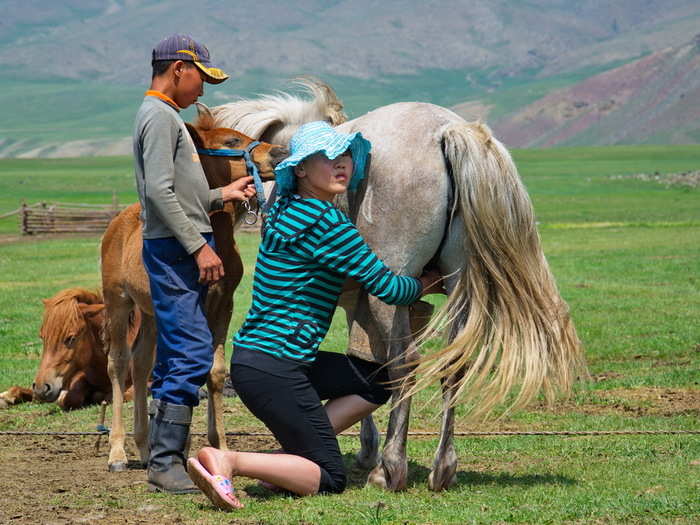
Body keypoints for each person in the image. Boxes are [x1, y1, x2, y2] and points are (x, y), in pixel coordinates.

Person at [187, 121, 443, 510]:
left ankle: (283, 464)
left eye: (345, 157)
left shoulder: (287, 209)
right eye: (327, 158)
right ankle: (229, 460)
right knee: (329, 477)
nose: (341, 165)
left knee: (377, 380)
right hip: (278, 368)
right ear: (301, 170)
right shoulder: (327, 224)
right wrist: (428, 281)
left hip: (263, 360)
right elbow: (389, 289)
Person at [134, 34, 256, 494]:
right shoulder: (161, 118)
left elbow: (178, 192)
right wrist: (199, 247)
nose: (202, 90)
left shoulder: (164, 117)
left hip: (173, 243)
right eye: (200, 78)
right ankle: (165, 464)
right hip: (175, 247)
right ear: (178, 68)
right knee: (190, 351)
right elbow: (158, 194)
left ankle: (164, 456)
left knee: (173, 354)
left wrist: (220, 194)